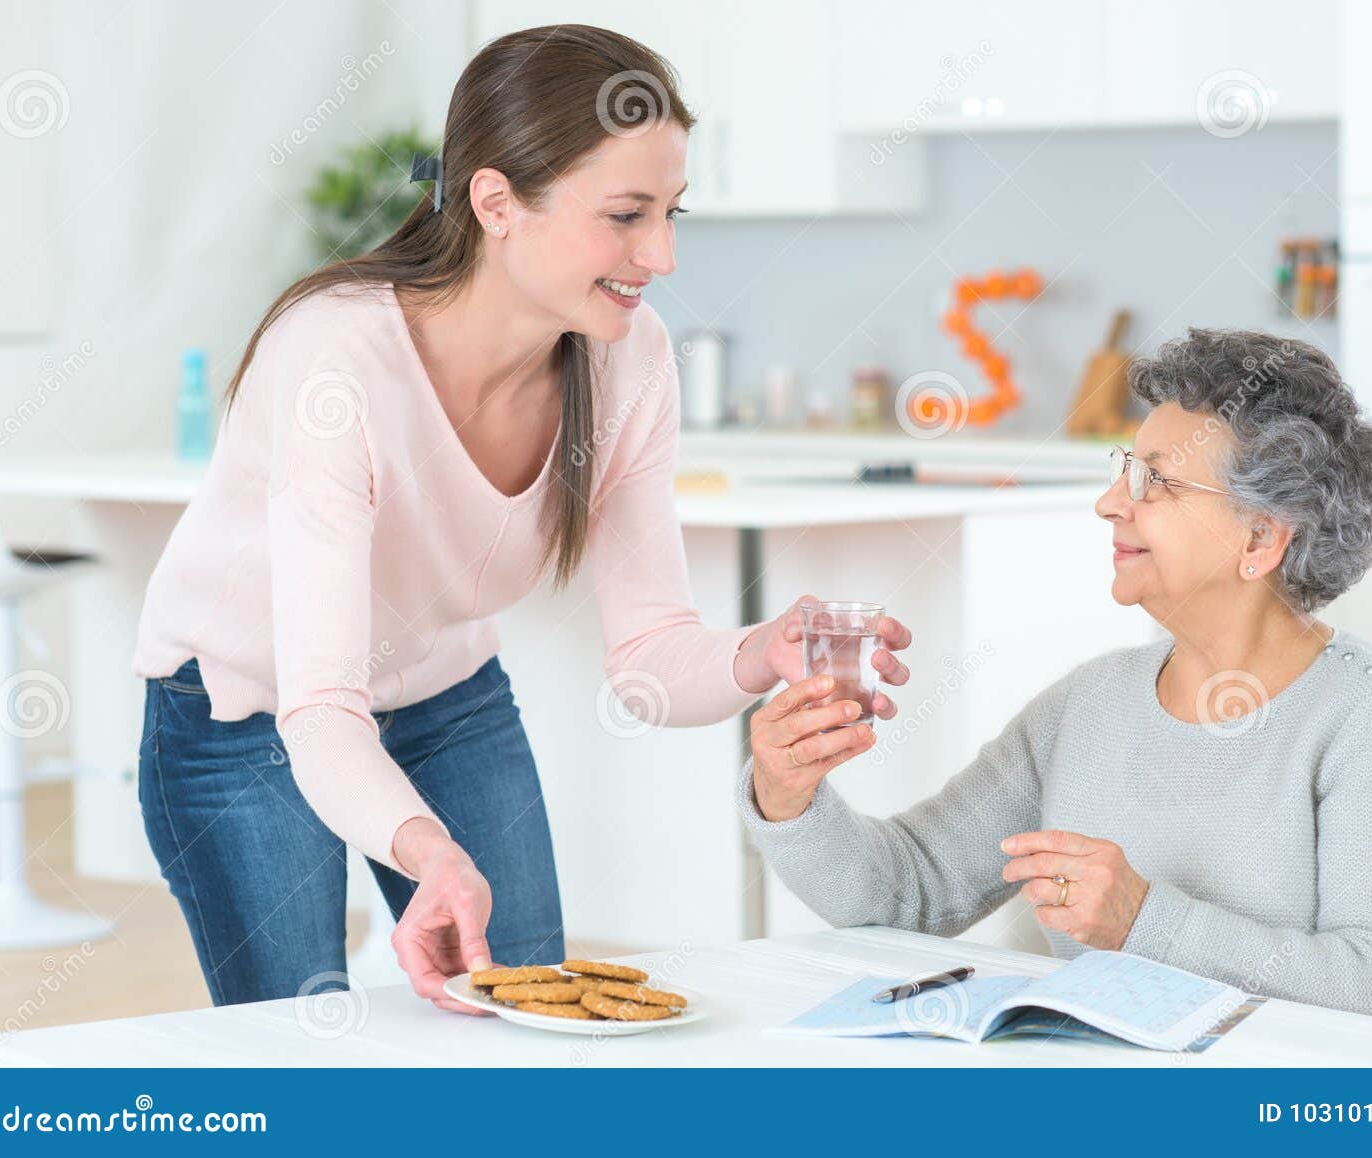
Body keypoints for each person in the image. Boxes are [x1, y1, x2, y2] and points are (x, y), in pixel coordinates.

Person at [131, 25, 910, 1013]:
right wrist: (429, 850)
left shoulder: (627, 357)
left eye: (671, 213)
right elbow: (322, 706)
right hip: (246, 709)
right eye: (627, 214)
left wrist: (767, 650)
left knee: (531, 1011)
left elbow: (650, 663)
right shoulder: (335, 360)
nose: (661, 255)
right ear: (495, 203)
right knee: (302, 1032)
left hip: (446, 693)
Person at [742, 328, 1372, 1028]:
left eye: (1156, 482)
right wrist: (787, 796)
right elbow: (908, 895)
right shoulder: (1086, 706)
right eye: (1125, 470)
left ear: (1260, 538)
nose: (1110, 504)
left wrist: (1144, 919)